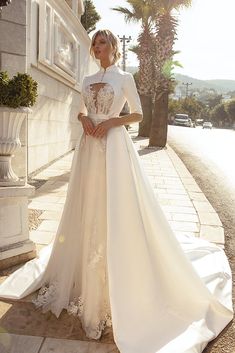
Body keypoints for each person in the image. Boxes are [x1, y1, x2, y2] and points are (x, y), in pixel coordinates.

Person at [0, 29, 233, 353]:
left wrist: (110, 122)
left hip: (113, 149)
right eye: (95, 42)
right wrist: (83, 119)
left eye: (103, 42)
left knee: (115, 207)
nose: (98, 46)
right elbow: (79, 110)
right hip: (88, 149)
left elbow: (136, 113)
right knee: (86, 205)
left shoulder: (124, 77)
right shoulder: (87, 78)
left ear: (113, 48)